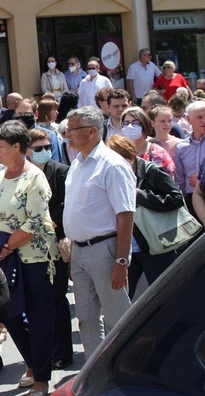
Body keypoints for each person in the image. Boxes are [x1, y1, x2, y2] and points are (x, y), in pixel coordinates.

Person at [0, 121, 57, 396]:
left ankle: (41, 377)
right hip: (5, 257)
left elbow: (37, 221)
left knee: (39, 317)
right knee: (9, 313)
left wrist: (5, 248)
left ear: (18, 147)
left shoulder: (35, 177)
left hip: (35, 257)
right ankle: (32, 362)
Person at [63, 106, 135, 359]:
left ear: (92, 131)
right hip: (81, 251)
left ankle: (128, 368)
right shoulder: (77, 164)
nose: (68, 135)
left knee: (117, 316)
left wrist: (121, 261)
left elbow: (125, 216)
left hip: (105, 250)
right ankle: (95, 371)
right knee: (86, 317)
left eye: (73, 129)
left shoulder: (112, 165)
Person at [106, 135, 183, 298]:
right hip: (128, 247)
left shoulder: (152, 171)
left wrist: (140, 195)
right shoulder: (111, 175)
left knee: (164, 294)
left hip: (155, 243)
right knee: (123, 295)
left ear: (131, 155)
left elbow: (177, 199)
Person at [26, 128, 72, 370]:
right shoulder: (26, 174)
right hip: (31, 245)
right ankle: (46, 348)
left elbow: (66, 204)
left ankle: (64, 351)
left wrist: (46, 219)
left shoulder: (62, 171)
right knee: (39, 300)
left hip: (56, 242)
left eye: (46, 147)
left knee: (57, 297)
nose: (44, 151)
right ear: (27, 151)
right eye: (38, 148)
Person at [120, 107, 175, 176]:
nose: (130, 126)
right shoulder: (118, 153)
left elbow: (170, 181)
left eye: (135, 123)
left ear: (145, 126)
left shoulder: (157, 153)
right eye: (126, 123)